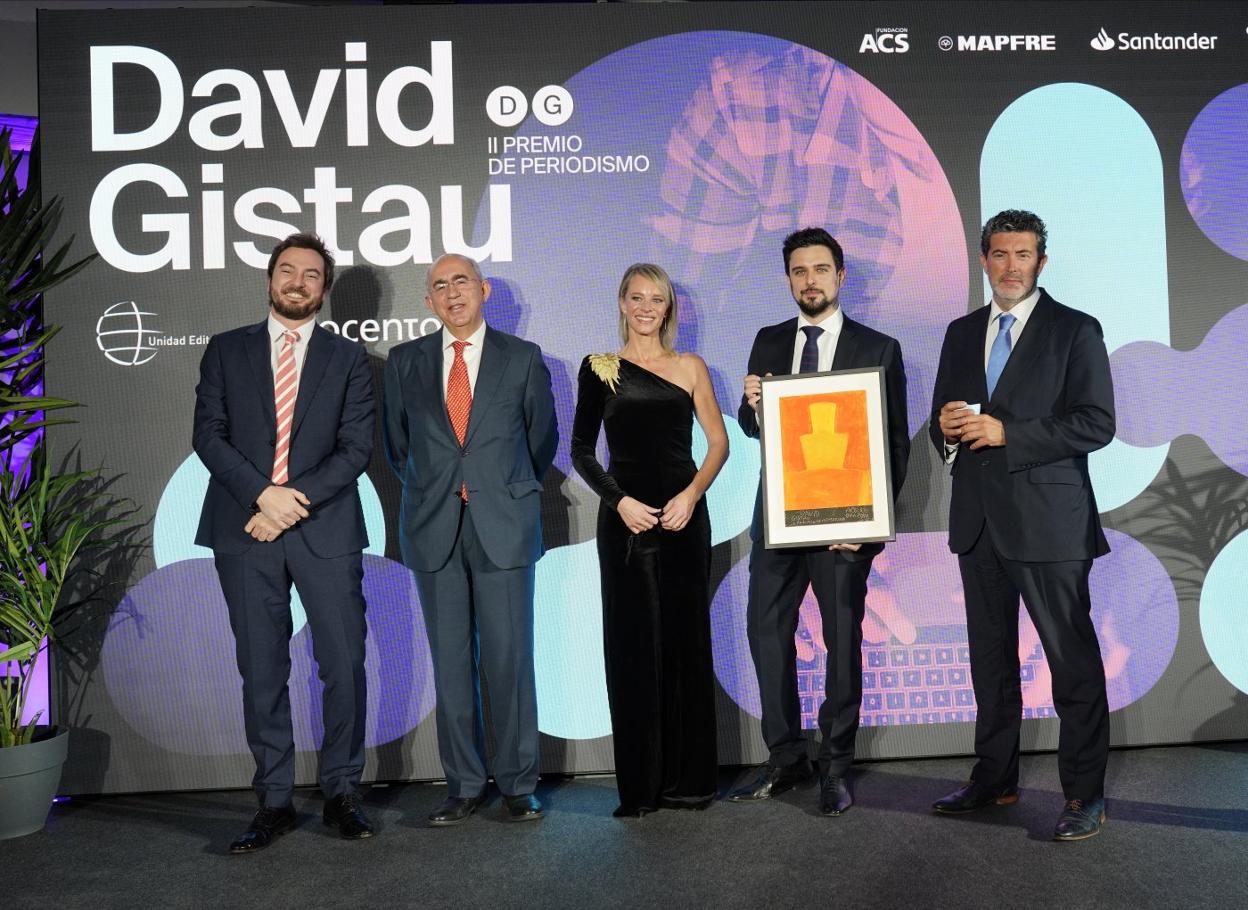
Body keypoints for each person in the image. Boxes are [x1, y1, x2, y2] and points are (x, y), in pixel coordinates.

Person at [929, 210, 1114, 841]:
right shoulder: (959, 332)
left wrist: (1011, 433)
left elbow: (1096, 423)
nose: (1011, 266)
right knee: (990, 664)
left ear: (1041, 260)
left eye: (1024, 254)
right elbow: (940, 421)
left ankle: (1085, 796)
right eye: (1000, 254)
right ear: (984, 260)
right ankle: (995, 778)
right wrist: (947, 431)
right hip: (977, 522)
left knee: (1073, 664)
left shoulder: (1075, 330)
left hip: (1050, 526)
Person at [193, 232, 375, 853]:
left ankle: (342, 791)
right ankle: (272, 800)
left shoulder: (348, 360)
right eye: (288, 271)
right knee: (262, 668)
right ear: (271, 279)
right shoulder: (225, 351)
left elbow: (355, 450)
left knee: (345, 663)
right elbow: (208, 436)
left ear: (324, 290)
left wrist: (288, 502)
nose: (298, 282)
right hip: (245, 530)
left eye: (312, 275)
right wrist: (260, 496)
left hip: (323, 528)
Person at [727, 227, 909, 816]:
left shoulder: (878, 347)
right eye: (800, 271)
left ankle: (835, 765)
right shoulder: (768, 340)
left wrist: (871, 523)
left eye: (821, 270)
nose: (811, 280)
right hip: (778, 521)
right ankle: (785, 757)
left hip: (843, 524)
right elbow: (757, 430)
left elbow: (895, 445)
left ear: (840, 276)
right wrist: (751, 406)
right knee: (766, 635)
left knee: (840, 646)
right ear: (789, 279)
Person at [383, 253, 558, 826]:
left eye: (461, 281)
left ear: (483, 290)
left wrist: (492, 489)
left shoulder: (524, 359)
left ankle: (517, 782)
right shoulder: (404, 362)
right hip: (434, 529)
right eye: (440, 286)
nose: (452, 292)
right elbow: (397, 446)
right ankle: (461, 783)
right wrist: (444, 487)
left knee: (509, 660)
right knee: (451, 663)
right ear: (428, 301)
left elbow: (540, 444)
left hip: (502, 527)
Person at [570, 263, 728, 817]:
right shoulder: (600, 368)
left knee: (685, 643)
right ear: (621, 303)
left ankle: (689, 783)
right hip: (627, 526)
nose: (645, 307)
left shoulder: (689, 367)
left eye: (655, 298)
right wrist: (620, 502)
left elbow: (717, 444)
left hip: (685, 521)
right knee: (634, 648)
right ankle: (640, 788)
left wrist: (690, 496)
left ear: (668, 308)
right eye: (635, 297)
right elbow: (582, 451)